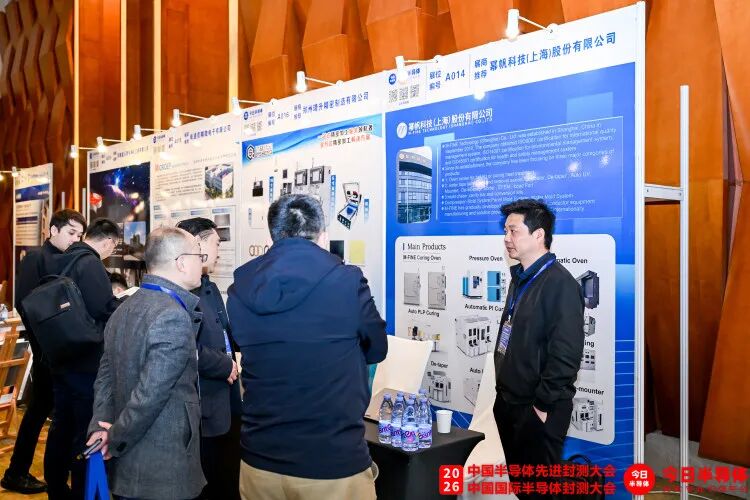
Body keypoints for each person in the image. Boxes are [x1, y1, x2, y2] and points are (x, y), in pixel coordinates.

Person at [227, 194, 387, 500]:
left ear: (271, 238)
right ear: (323, 237)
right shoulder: (347, 282)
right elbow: (377, 348)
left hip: (259, 459)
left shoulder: (240, 288)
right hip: (331, 461)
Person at [86, 227, 206, 500]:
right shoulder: (172, 316)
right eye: (199, 256)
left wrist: (100, 427)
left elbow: (104, 380)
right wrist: (114, 436)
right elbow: (150, 395)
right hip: (161, 469)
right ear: (181, 262)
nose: (204, 262)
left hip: (129, 465)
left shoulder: (124, 307)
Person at [493, 199, 584, 498]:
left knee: (540, 492)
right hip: (510, 403)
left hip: (538, 409)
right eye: (505, 231)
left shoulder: (560, 284)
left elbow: (566, 355)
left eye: (513, 231)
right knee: (523, 489)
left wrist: (542, 407)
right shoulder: (520, 278)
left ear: (538, 235)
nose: (507, 238)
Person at [1, 209, 86, 494]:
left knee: (44, 409)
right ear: (53, 230)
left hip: (63, 348)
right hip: (47, 348)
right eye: (71, 233)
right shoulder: (36, 258)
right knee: (39, 409)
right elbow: (26, 304)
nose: (76, 239)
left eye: (80, 235)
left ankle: (20, 471)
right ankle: (16, 472)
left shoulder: (70, 258)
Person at [43, 218, 122, 500]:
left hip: (62, 353)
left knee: (61, 426)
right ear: (109, 242)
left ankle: (56, 488)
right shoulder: (90, 263)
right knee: (84, 430)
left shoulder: (63, 258)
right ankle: (81, 491)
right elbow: (104, 308)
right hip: (85, 360)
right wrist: (125, 301)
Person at [176, 217, 241, 500]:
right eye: (216, 244)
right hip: (203, 406)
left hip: (227, 400)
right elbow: (183, 346)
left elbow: (224, 334)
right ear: (197, 246)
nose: (219, 252)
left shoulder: (210, 288)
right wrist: (223, 364)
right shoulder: (180, 293)